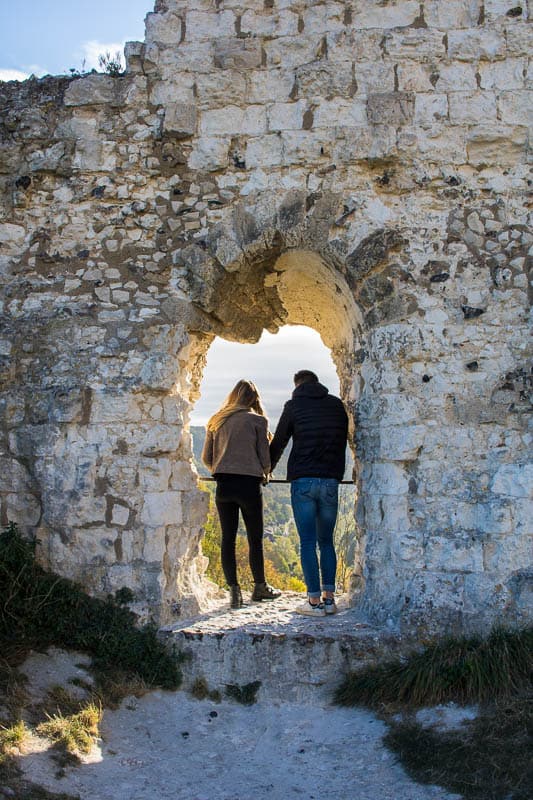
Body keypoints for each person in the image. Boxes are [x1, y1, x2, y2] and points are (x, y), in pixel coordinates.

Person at [270, 370, 348, 617]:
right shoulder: (336, 405)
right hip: (330, 481)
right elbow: (342, 439)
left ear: (297, 385)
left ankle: (313, 602)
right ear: (317, 382)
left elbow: (280, 440)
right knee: (326, 541)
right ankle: (329, 600)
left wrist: (267, 469)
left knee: (307, 542)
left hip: (303, 481)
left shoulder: (294, 406)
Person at [201, 379, 281, 609]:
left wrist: (223, 467)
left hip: (224, 485)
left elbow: (207, 459)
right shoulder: (258, 421)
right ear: (254, 399)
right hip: (249, 486)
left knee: (228, 538)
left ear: (233, 396)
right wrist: (265, 473)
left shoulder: (217, 421)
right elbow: (265, 459)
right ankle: (259, 587)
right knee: (255, 538)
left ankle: (234, 593)